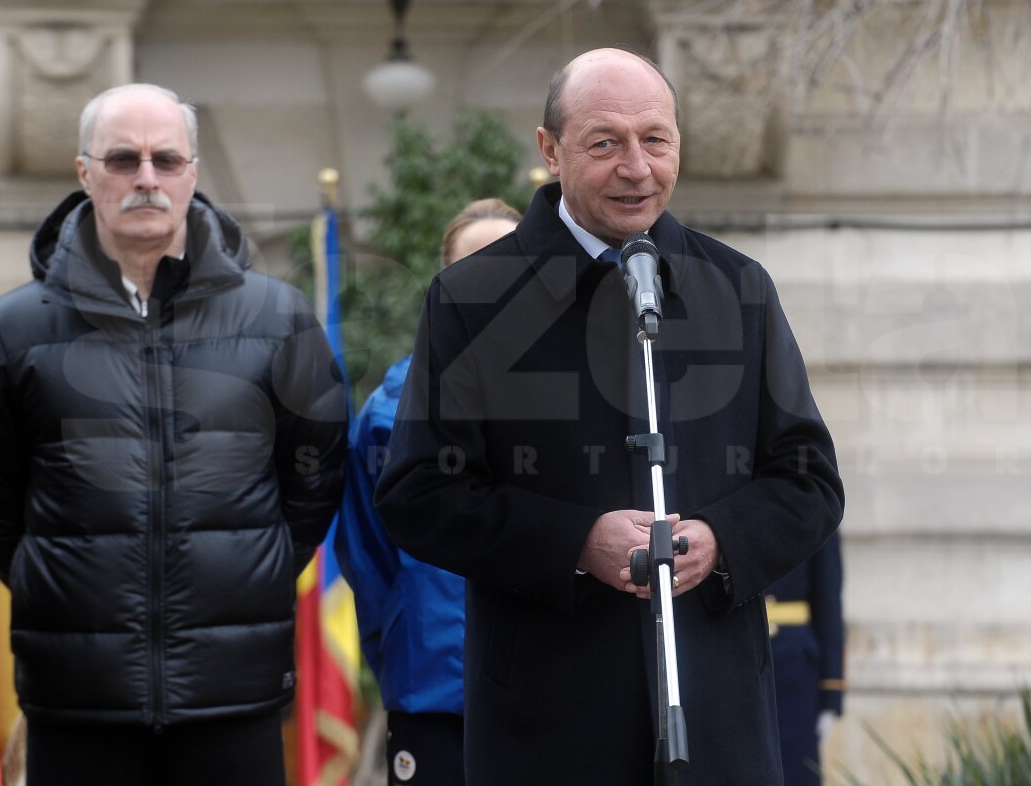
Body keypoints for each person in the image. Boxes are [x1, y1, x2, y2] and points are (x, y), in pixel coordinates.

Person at [374, 48, 844, 785]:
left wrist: (722, 540)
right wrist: (575, 540)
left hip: (718, 714)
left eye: (655, 140)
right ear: (550, 151)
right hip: (547, 724)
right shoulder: (473, 299)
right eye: (605, 143)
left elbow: (809, 482)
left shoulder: (739, 288)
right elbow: (418, 493)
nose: (636, 167)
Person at [0, 83, 348, 786]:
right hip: (77, 702)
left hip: (235, 696)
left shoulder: (278, 319)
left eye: (166, 159)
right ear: (84, 172)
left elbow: (311, 480)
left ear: (193, 172)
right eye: (123, 159)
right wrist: (52, 575)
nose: (146, 179)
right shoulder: (16, 331)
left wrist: (248, 572)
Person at [336, 198, 521, 786]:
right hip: (433, 686)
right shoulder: (390, 411)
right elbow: (365, 552)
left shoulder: (584, 404)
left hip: (555, 691)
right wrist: (398, 637)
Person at [768, 532, 845, 786]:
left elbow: (828, 600)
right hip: (734, 662)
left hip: (794, 668)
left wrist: (830, 690)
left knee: (796, 771)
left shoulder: (810, 496)